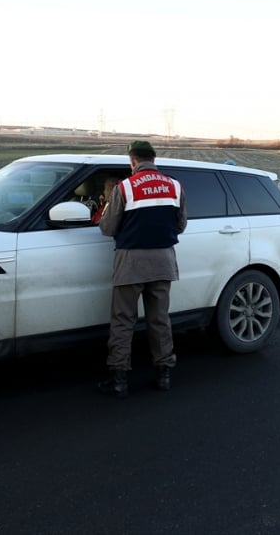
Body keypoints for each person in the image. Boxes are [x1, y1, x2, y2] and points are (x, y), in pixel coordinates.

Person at [96, 141, 187, 397]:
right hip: (164, 260)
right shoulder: (174, 186)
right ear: (154, 159)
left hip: (131, 262)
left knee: (123, 320)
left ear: (132, 161)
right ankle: (164, 374)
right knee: (159, 320)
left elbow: (108, 228)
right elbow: (181, 225)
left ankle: (119, 379)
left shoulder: (124, 187)